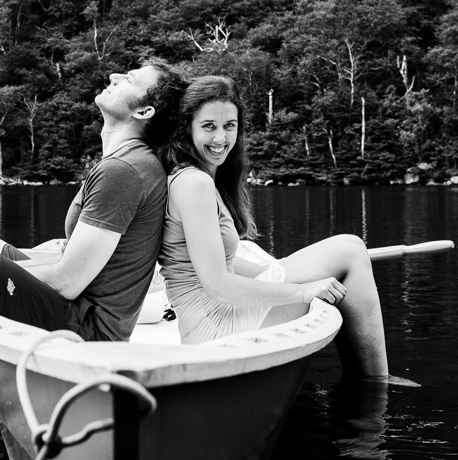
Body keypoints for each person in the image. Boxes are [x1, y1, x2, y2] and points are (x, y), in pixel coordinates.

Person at [0, 60, 186, 390]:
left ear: (144, 112)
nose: (114, 76)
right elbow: (81, 263)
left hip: (89, 333)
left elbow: (67, 282)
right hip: (84, 313)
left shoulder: (124, 171)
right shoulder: (129, 163)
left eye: (129, 79)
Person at [158, 74, 409, 382]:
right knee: (351, 251)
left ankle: (371, 380)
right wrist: (303, 290)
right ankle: (375, 384)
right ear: (188, 128)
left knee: (349, 249)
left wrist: (280, 270)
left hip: (213, 318)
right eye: (208, 126)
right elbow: (217, 284)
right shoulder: (193, 182)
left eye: (229, 126)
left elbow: (219, 258)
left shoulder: (199, 177)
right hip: (215, 330)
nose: (221, 138)